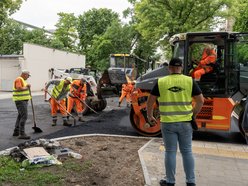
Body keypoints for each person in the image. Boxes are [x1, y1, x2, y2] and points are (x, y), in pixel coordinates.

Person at [147, 58, 204, 186]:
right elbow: (201, 101)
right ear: (181, 68)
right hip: (185, 123)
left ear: (169, 68)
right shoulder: (189, 81)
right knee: (187, 151)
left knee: (170, 152)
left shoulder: (161, 82)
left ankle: (170, 181)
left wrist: (150, 115)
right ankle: (191, 182)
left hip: (168, 123)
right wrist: (193, 114)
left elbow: (150, 101)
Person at [12, 70, 32, 139]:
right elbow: (19, 88)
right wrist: (27, 87)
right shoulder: (19, 79)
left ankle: (16, 131)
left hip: (22, 100)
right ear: (24, 74)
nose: (28, 77)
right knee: (24, 116)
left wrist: (27, 86)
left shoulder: (22, 80)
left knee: (20, 115)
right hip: (20, 101)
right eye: (28, 76)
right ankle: (22, 133)